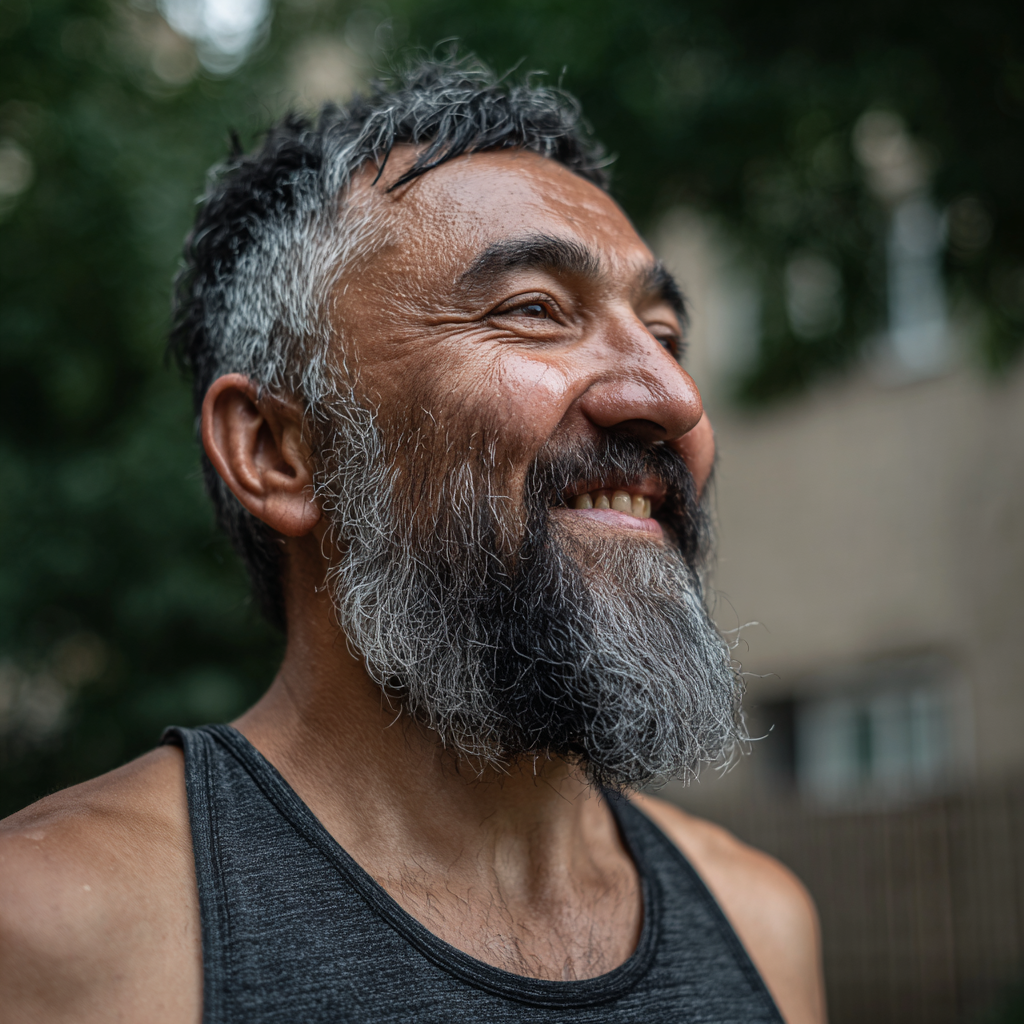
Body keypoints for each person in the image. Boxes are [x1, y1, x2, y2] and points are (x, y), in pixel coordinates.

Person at [0, 55, 826, 1024]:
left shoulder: (762, 922)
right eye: (533, 311)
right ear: (277, 450)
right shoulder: (55, 931)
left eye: (663, 331)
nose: (669, 396)